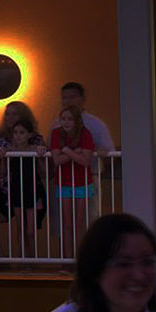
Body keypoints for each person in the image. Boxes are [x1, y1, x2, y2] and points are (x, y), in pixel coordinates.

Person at [0, 101, 49, 258]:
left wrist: (42, 155)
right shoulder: (0, 137)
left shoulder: (35, 139)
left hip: (31, 188)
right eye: (7, 113)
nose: (9, 117)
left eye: (14, 113)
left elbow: (44, 169)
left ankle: (29, 264)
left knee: (28, 231)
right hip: (8, 190)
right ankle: (2, 261)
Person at [50, 107, 98, 253]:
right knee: (67, 224)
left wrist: (67, 150)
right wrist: (75, 153)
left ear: (77, 121)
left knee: (79, 223)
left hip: (82, 182)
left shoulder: (85, 134)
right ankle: (67, 260)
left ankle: (80, 258)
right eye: (63, 118)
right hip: (64, 182)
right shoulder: (56, 133)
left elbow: (85, 161)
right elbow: (56, 160)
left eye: (70, 119)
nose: (66, 122)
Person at [62, 81, 114, 153]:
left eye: (72, 97)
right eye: (64, 98)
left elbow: (110, 154)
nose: (68, 101)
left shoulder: (96, 124)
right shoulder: (56, 124)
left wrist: (103, 153)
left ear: (83, 99)